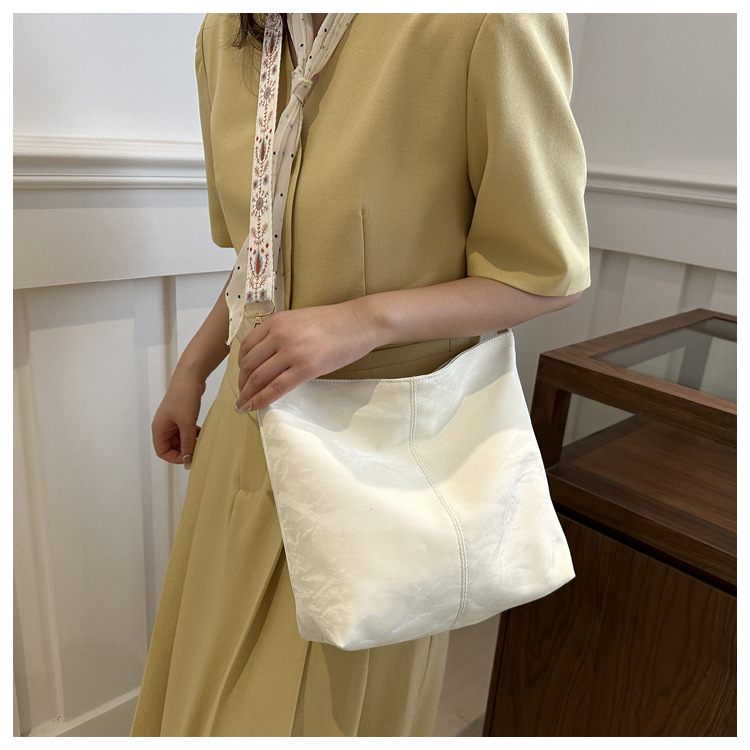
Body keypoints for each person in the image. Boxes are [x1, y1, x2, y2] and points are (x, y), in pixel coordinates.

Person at [131, 12, 590, 737]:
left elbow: (546, 276)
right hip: (247, 434)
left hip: (380, 462)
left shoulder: (488, 21)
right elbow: (259, 253)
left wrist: (363, 321)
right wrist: (192, 368)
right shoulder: (228, 34)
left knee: (327, 713)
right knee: (207, 697)